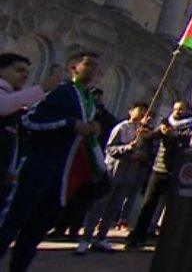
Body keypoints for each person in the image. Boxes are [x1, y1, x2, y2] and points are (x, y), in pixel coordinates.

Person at [0, 51, 106, 271]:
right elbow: (30, 120)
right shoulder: (61, 92)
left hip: (62, 176)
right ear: (73, 68)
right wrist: (69, 124)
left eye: (97, 66)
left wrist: (92, 130)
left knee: (36, 230)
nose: (94, 69)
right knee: (11, 223)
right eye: (88, 64)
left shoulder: (89, 102)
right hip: (38, 167)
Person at [75, 101, 150, 255]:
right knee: (100, 205)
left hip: (129, 174)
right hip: (113, 171)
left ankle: (101, 237)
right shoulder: (121, 128)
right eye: (139, 110)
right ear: (131, 111)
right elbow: (110, 148)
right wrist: (126, 148)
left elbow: (146, 152)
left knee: (114, 207)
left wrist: (141, 155)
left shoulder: (143, 132)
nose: (142, 113)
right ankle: (86, 238)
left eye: (145, 110)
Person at [125, 97, 192, 249]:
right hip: (159, 170)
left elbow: (190, 143)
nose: (177, 112)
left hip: (177, 172)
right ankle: (138, 236)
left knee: (172, 209)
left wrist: (176, 137)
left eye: (181, 109)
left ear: (188, 111)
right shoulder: (166, 123)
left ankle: (167, 239)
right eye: (176, 109)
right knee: (148, 205)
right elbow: (148, 139)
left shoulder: (191, 127)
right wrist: (146, 133)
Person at [0, 54, 61, 189]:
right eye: (19, 70)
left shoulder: (15, 102)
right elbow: (2, 106)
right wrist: (41, 88)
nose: (25, 76)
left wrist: (11, 170)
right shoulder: (7, 98)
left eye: (27, 72)